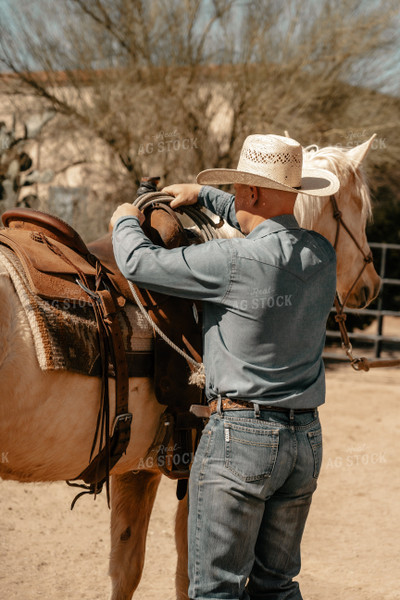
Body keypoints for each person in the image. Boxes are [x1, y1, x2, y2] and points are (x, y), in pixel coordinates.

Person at [110, 134, 339, 600]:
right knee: (277, 585)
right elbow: (268, 223)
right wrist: (206, 195)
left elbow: (138, 262)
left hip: (242, 437)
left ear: (251, 192)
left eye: (237, 189)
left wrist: (124, 220)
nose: (234, 198)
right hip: (305, 440)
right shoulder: (321, 253)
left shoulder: (232, 261)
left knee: (216, 589)